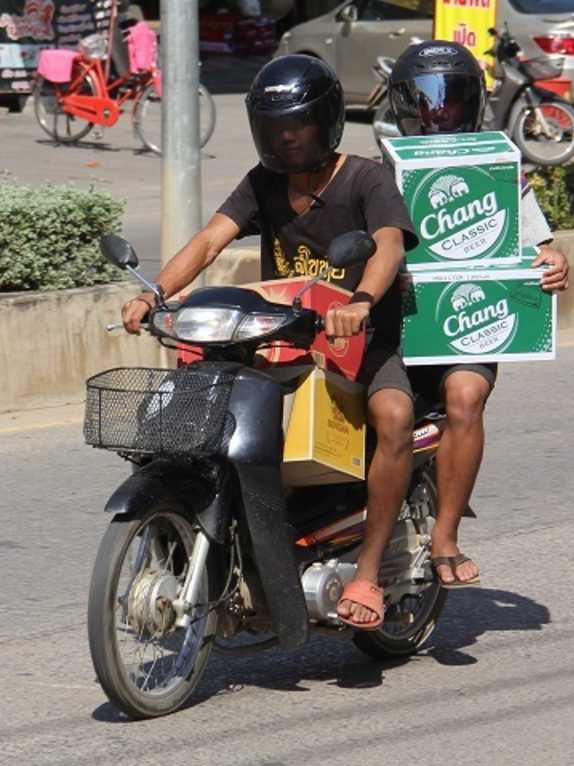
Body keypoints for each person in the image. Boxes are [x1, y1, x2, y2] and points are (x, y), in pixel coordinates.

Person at [121, 55, 417, 631]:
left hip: (356, 342)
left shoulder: (366, 178)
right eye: (274, 127)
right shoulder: (264, 183)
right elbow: (209, 240)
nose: (285, 138)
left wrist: (359, 304)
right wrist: (156, 293)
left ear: (325, 121)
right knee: (200, 422)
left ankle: (368, 570)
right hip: (275, 342)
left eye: (297, 126)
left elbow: (387, 246)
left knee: (396, 414)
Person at [389, 41, 571, 588]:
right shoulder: (383, 171)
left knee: (465, 399)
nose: (437, 113)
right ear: (404, 106)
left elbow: (541, 245)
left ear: (472, 104)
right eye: (425, 101)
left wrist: (555, 261)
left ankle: (445, 537)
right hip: (397, 326)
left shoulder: (498, 169)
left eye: (450, 100)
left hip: (466, 328)